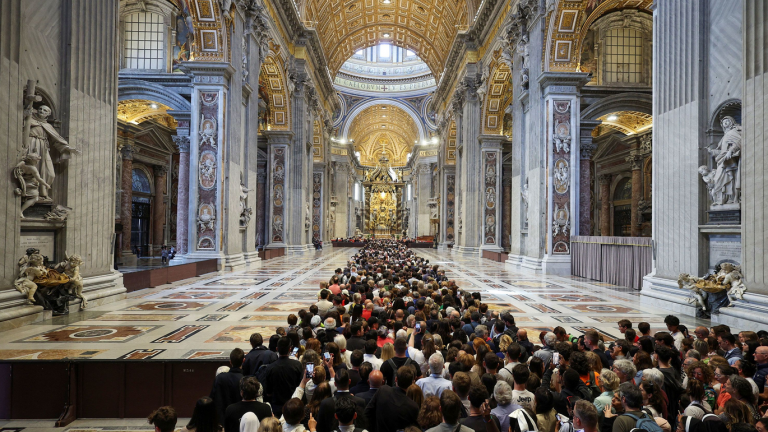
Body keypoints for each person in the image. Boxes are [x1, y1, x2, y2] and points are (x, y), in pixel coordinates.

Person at [365, 366, 421, 432]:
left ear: (396, 379)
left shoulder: (383, 390)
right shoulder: (413, 406)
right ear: (412, 383)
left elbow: (367, 413)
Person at [263, 337, 303, 417]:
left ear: (277, 348)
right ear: (290, 349)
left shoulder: (270, 368)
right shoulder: (297, 365)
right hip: (293, 405)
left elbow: (268, 392)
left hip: (277, 407)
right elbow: (300, 387)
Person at [212, 349, 246, 423]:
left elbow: (212, 398)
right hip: (238, 420)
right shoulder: (245, 380)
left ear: (230, 362)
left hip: (222, 420)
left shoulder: (219, 378)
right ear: (243, 360)